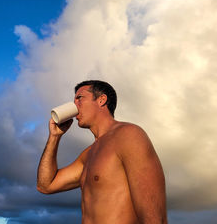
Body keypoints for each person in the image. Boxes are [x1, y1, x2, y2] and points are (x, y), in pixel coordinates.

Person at [37, 80, 167, 224]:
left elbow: (154, 217)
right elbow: (45, 185)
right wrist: (54, 137)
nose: (74, 105)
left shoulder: (128, 135)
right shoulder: (88, 154)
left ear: (101, 100)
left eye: (80, 98)